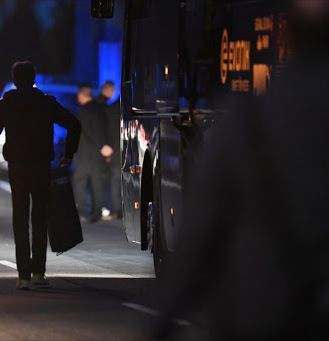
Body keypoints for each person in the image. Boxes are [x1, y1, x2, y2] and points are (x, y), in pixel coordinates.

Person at [156, 1, 329, 339]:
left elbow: (201, 230)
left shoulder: (250, 117)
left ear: (288, 35)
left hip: (263, 308)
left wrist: (163, 319)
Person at [0, 61, 81, 290]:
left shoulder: (5, 104)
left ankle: (23, 276)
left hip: (18, 168)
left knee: (20, 219)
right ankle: (39, 273)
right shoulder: (47, 103)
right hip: (41, 166)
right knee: (40, 218)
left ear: (14, 79)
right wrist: (68, 154)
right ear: (33, 79)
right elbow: (74, 124)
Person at [73, 85, 113, 222]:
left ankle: (81, 211)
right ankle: (97, 211)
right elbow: (104, 128)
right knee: (97, 182)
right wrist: (106, 146)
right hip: (98, 154)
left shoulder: (84, 111)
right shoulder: (100, 109)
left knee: (79, 182)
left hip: (85, 153)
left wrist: (101, 145)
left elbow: (89, 131)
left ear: (81, 95)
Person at [98, 81, 122, 219]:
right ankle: (119, 209)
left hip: (113, 150)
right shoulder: (130, 109)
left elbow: (106, 131)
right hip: (126, 150)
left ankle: (116, 209)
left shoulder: (110, 108)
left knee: (113, 181)